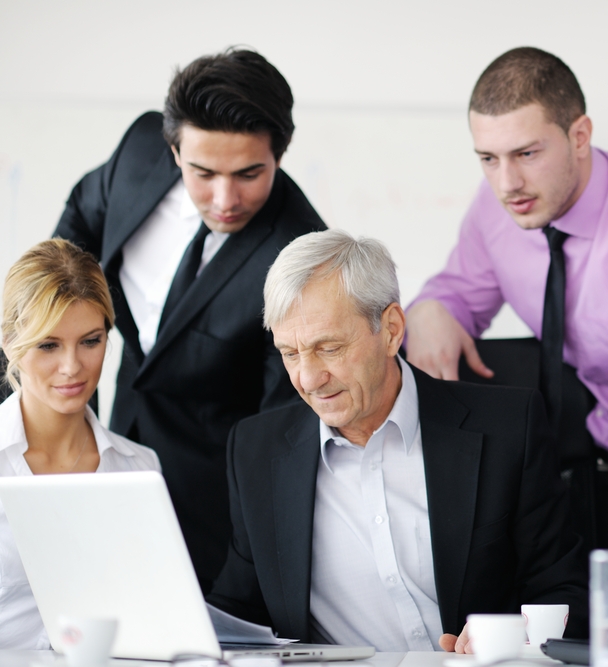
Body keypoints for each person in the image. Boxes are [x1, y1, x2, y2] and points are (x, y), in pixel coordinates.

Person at [404, 47, 608, 621]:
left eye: (527, 153)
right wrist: (432, 307)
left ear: (580, 135)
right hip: (580, 474)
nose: (508, 182)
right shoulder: (498, 206)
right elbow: (460, 289)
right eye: (488, 158)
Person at [207, 229, 588, 652]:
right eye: (290, 353)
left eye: (328, 348)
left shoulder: (509, 428)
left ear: (391, 330)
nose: (308, 379)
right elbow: (237, 611)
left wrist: (511, 637)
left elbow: (564, 591)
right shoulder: (256, 450)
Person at [52, 48, 326, 593]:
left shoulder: (300, 253)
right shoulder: (137, 150)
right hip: (96, 444)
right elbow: (78, 225)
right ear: (173, 149)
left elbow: (281, 431)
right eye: (204, 173)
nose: (226, 200)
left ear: (280, 154)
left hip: (208, 499)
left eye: (250, 173)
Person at [0, 239, 161, 649]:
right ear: (9, 344)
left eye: (90, 341)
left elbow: (152, 617)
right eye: (48, 345)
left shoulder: (139, 469)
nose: (72, 367)